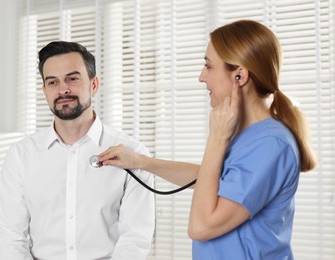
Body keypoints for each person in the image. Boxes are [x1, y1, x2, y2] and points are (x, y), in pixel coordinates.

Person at [98, 20, 318, 259]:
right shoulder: (250, 136)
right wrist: (140, 162)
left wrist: (216, 138)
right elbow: (212, 179)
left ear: (239, 76)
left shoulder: (270, 145)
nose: (202, 78)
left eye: (208, 67)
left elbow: (201, 227)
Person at [0, 41, 155, 260]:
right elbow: (10, 235)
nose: (63, 89)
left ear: (94, 84)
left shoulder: (133, 155)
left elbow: (136, 237)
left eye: (72, 78)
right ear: (44, 91)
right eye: (52, 82)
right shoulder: (21, 155)